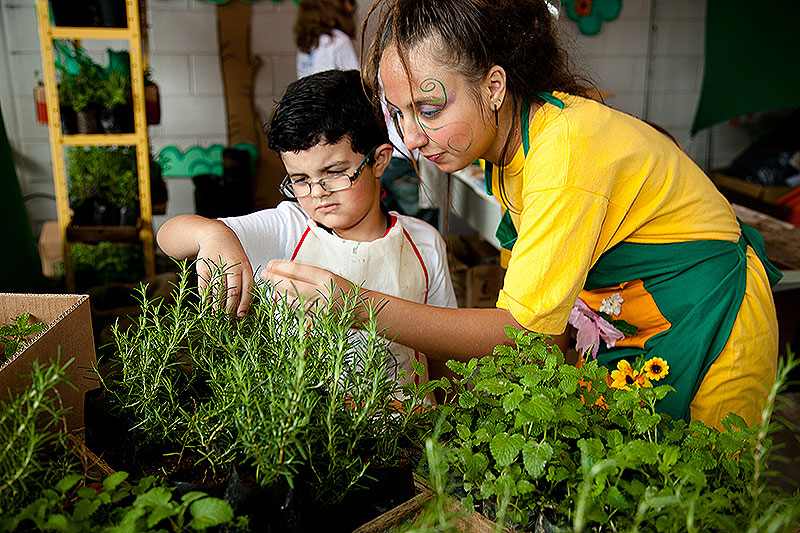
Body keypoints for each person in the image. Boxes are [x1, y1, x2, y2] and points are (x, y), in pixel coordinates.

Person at [262, 0, 782, 429]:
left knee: (708, 486)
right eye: (397, 114)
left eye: (429, 108)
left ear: (492, 86)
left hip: (709, 315)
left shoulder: (565, 153)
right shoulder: (506, 149)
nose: (412, 139)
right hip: (634, 318)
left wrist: (354, 304)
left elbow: (526, 335)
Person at [157, 69, 456, 397]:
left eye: (335, 172)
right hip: (309, 434)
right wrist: (213, 235)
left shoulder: (424, 244)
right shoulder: (287, 229)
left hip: (407, 432)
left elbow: (443, 353)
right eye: (299, 179)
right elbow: (170, 236)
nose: (317, 192)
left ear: (380, 160)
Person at [294, 0, 359, 79]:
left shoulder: (306, 42)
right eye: (347, 2)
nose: (350, 7)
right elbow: (356, 81)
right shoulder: (339, 40)